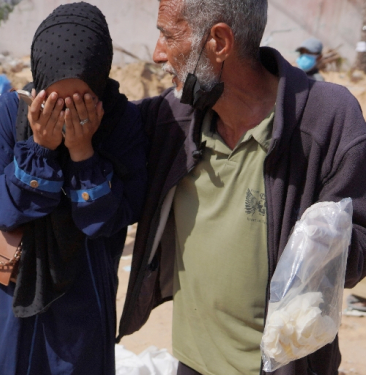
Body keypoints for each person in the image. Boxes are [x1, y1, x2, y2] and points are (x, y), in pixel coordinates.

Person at [117, 0, 366, 374]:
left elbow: (359, 247)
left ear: (219, 42)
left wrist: (330, 242)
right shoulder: (175, 118)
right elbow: (102, 123)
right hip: (192, 364)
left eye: (169, 35)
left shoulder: (326, 120)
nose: (158, 54)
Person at [0, 3, 147, 374]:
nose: (66, 114)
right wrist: (39, 152)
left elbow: (115, 219)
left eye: (80, 101)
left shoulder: (122, 123)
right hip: (13, 292)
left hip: (85, 294)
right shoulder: (8, 114)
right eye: (54, 100)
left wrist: (83, 155)